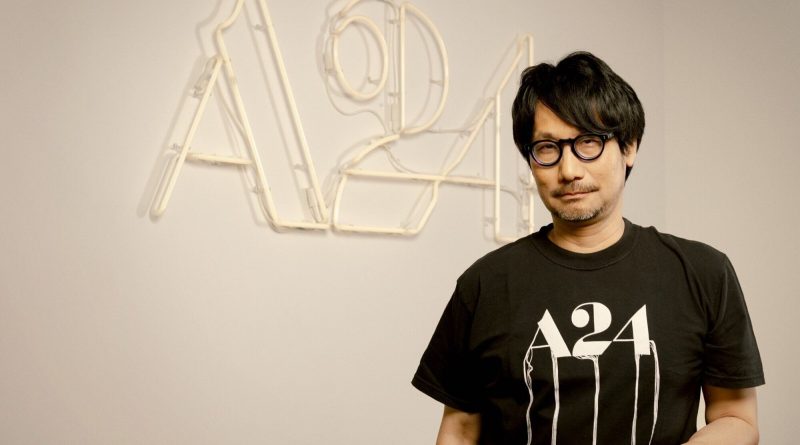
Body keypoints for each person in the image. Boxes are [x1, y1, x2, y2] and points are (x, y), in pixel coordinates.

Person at [412, 52, 764, 445]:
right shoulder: (485, 283)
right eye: (547, 148)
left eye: (588, 142)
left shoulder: (702, 272)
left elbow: (737, 418)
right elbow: (460, 431)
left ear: (629, 147)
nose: (569, 170)